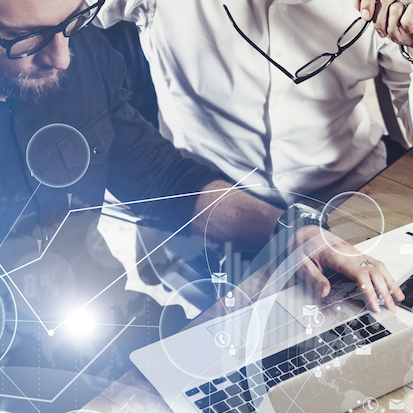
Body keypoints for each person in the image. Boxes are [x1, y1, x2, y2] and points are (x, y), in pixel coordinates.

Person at [0, 0, 405, 411]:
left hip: (103, 326)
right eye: (25, 38)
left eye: (72, 23)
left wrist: (294, 232)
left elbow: (162, 176)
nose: (62, 57)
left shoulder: (80, 48)